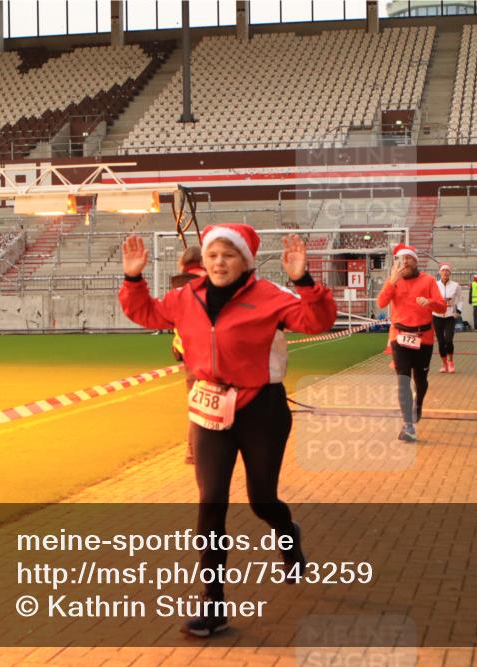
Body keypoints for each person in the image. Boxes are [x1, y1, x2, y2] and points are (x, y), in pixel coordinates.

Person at [119, 224, 337, 637]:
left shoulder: (270, 297)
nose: (219, 262)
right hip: (210, 410)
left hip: (262, 410)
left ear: (245, 261)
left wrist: (303, 281)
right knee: (212, 502)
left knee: (261, 499)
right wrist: (133, 278)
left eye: (228, 255)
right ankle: (214, 603)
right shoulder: (187, 297)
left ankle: (288, 535)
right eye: (213, 255)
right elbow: (144, 312)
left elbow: (317, 321)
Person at [376, 244, 446, 442]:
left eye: (408, 259)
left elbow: (441, 308)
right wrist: (391, 282)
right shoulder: (394, 281)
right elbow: (381, 303)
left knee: (420, 381)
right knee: (403, 380)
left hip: (423, 338)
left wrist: (429, 302)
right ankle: (407, 425)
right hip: (399, 336)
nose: (404, 262)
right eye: (401, 259)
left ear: (416, 262)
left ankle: (419, 405)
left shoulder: (429, 280)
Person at [171, 246, 207, 465]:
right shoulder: (211, 283)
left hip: (188, 351)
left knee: (197, 404)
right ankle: (196, 452)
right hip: (208, 351)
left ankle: (193, 452)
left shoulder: (178, 287)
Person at [432, 263, 461, 374]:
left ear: (450, 273)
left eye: (447, 270)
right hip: (437, 316)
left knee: (448, 340)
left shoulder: (455, 285)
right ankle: (444, 364)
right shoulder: (434, 285)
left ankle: (450, 362)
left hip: (450, 316)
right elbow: (431, 298)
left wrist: (458, 311)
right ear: (439, 272)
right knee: (441, 341)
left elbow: (461, 299)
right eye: (443, 270)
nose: (445, 272)